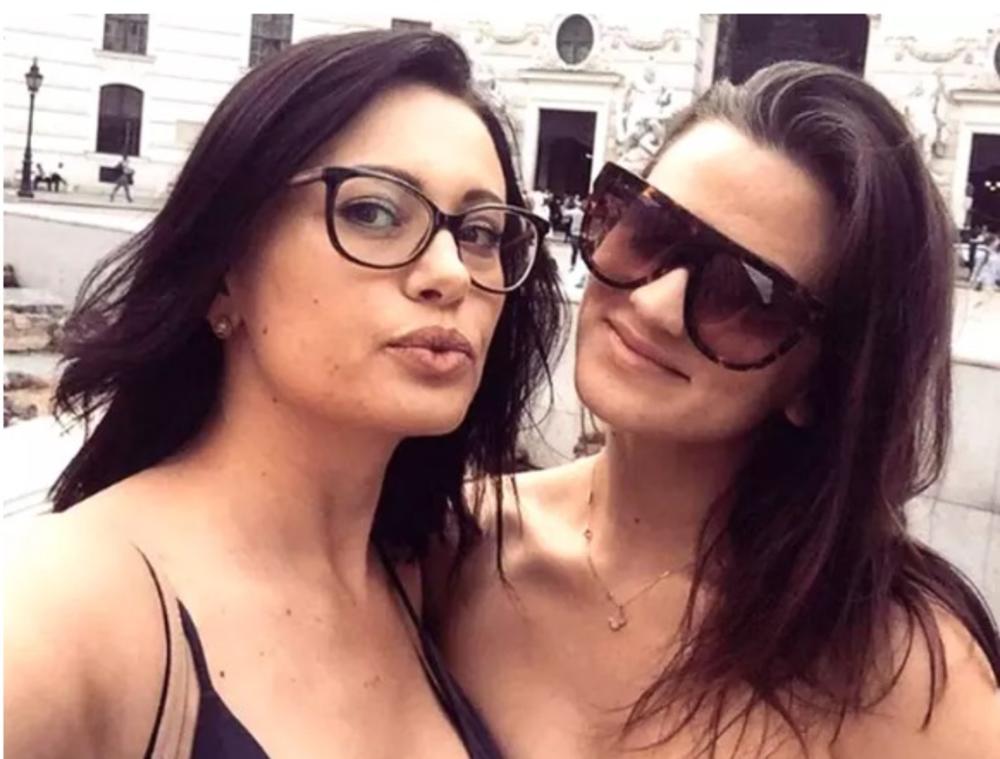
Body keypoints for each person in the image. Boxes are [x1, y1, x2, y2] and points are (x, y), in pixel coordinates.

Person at [4, 30, 564, 759]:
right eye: (373, 211)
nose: (452, 273)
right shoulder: (67, 611)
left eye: (482, 232)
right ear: (225, 272)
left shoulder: (420, 578)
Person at [434, 62, 1000, 758]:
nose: (656, 304)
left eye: (747, 294)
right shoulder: (457, 545)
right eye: (647, 228)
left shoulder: (905, 671)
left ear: (822, 380)